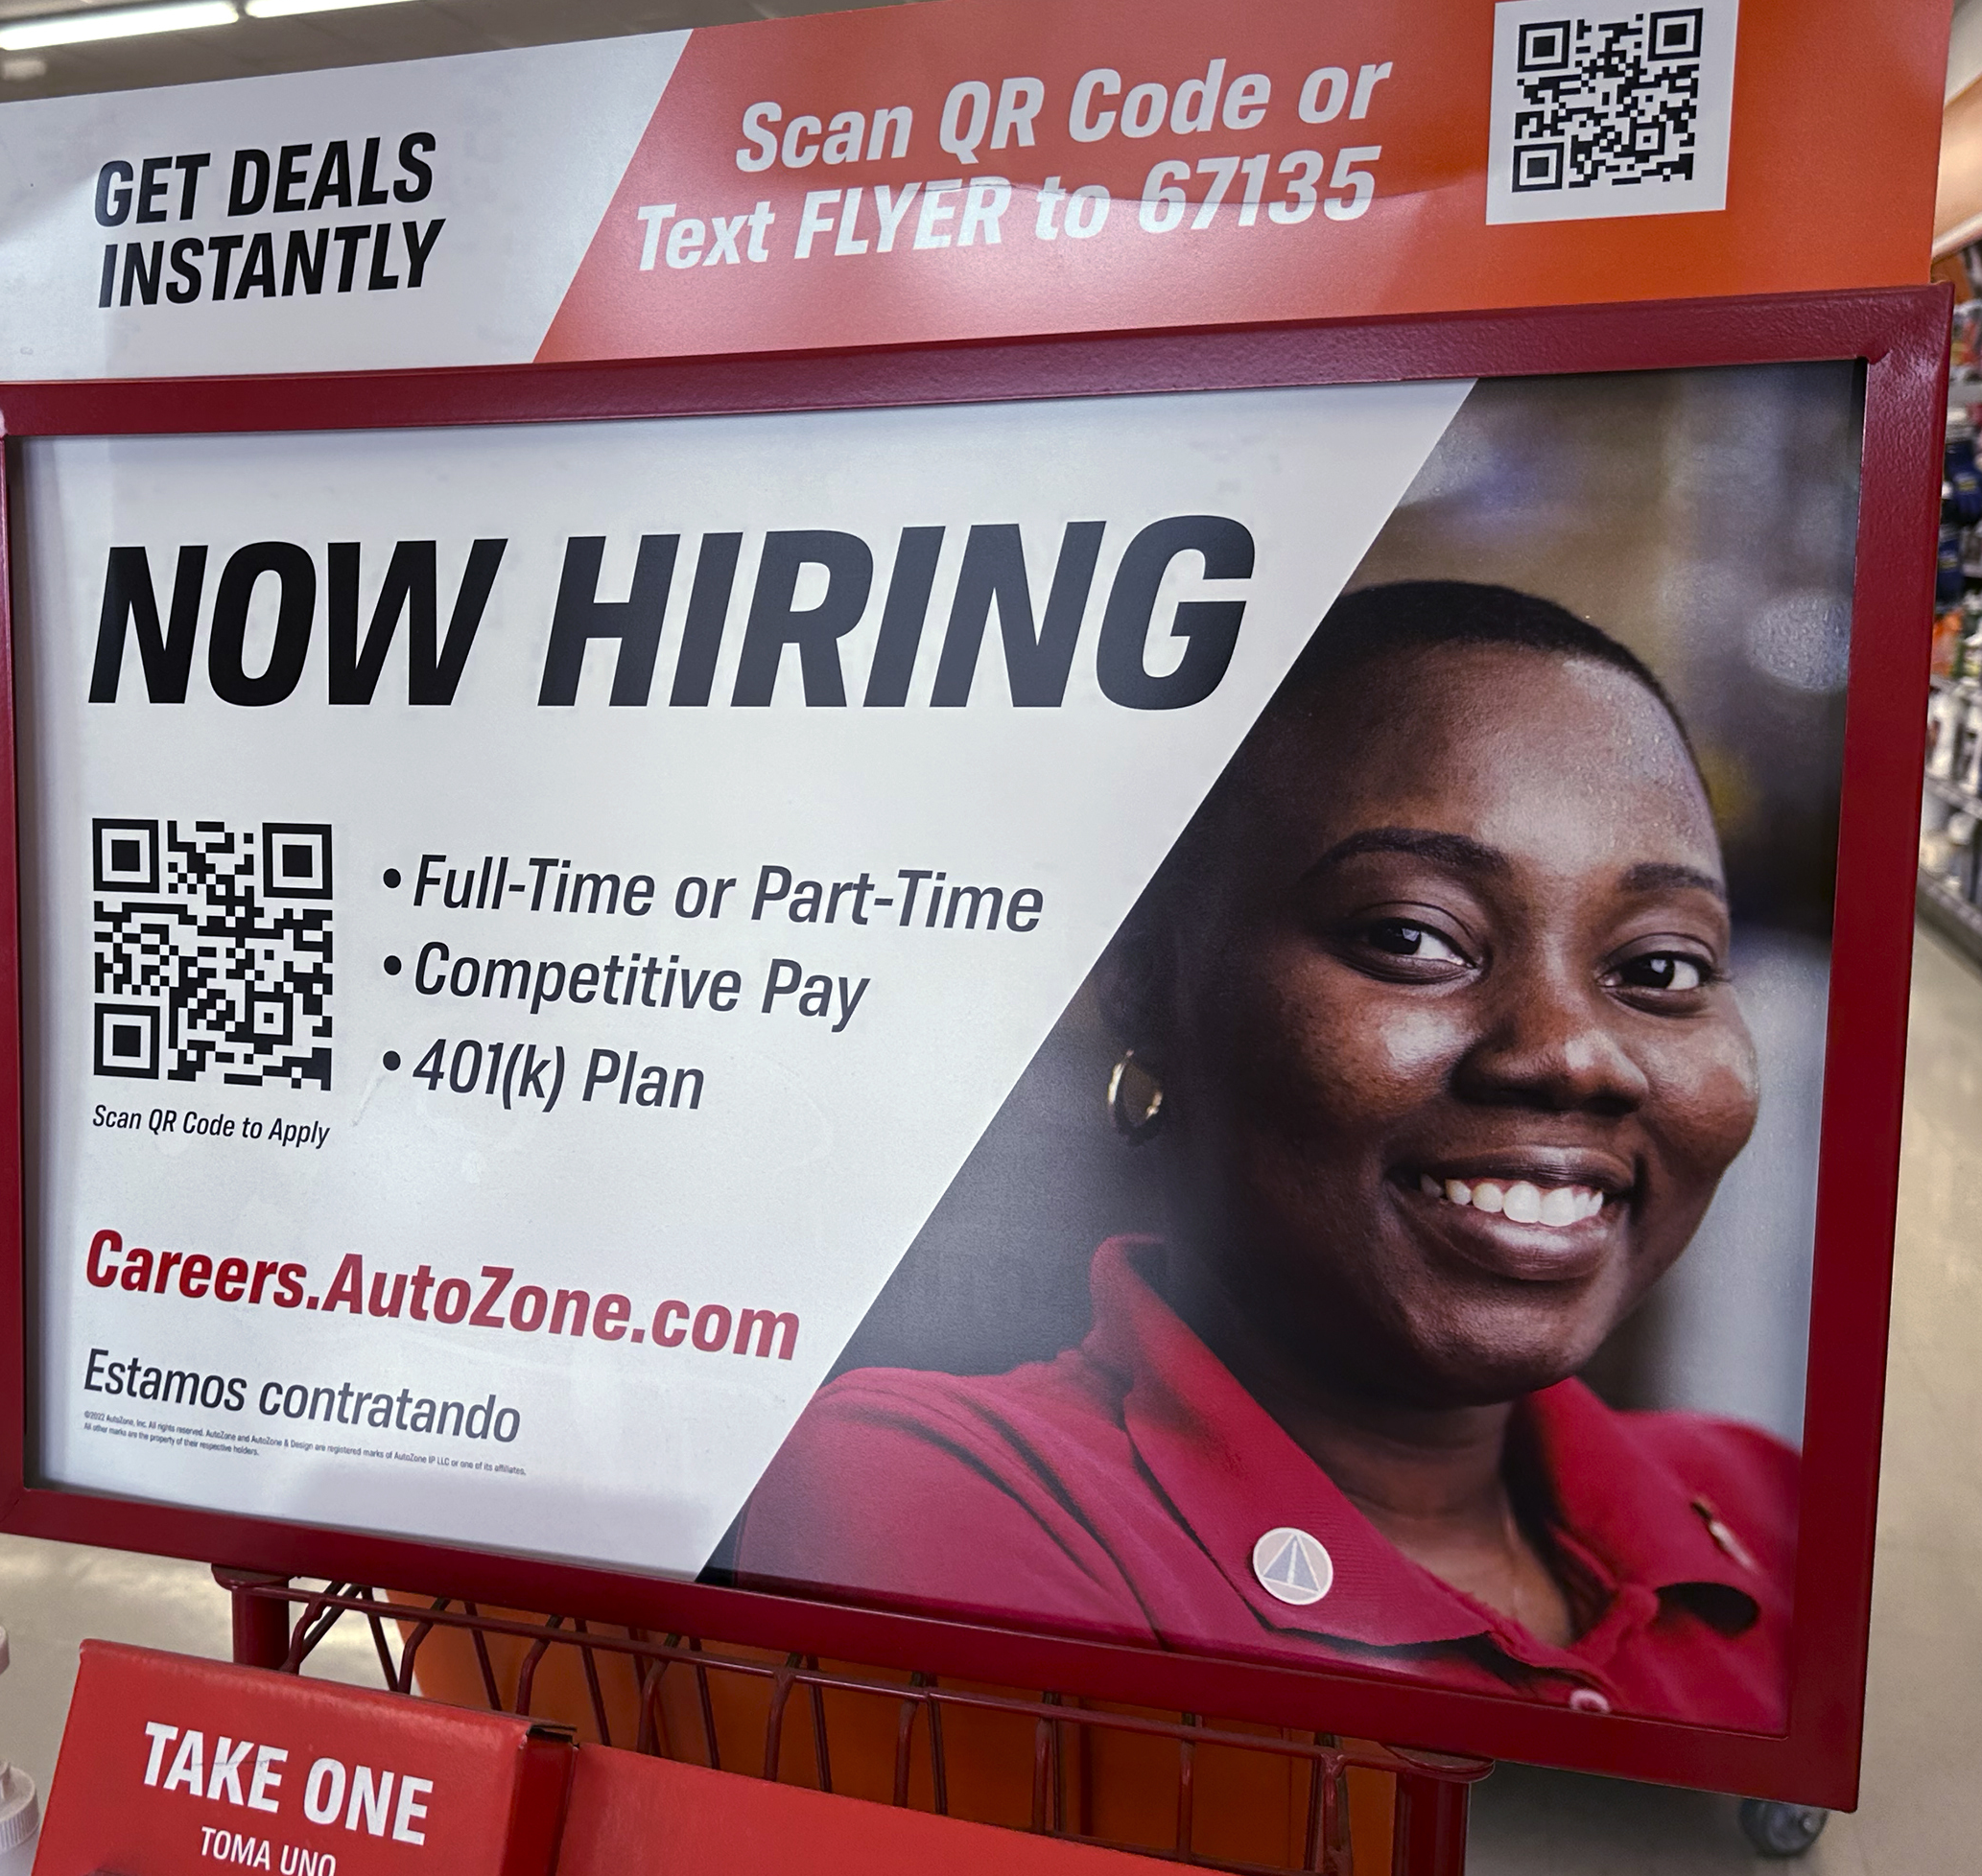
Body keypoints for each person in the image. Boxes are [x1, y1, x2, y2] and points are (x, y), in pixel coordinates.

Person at [736, 581, 1792, 1726]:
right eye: (1412, 937)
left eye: (1665, 967)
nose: (1572, 1054)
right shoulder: (947, 1487)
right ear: (1146, 987)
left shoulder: (1772, 1507)